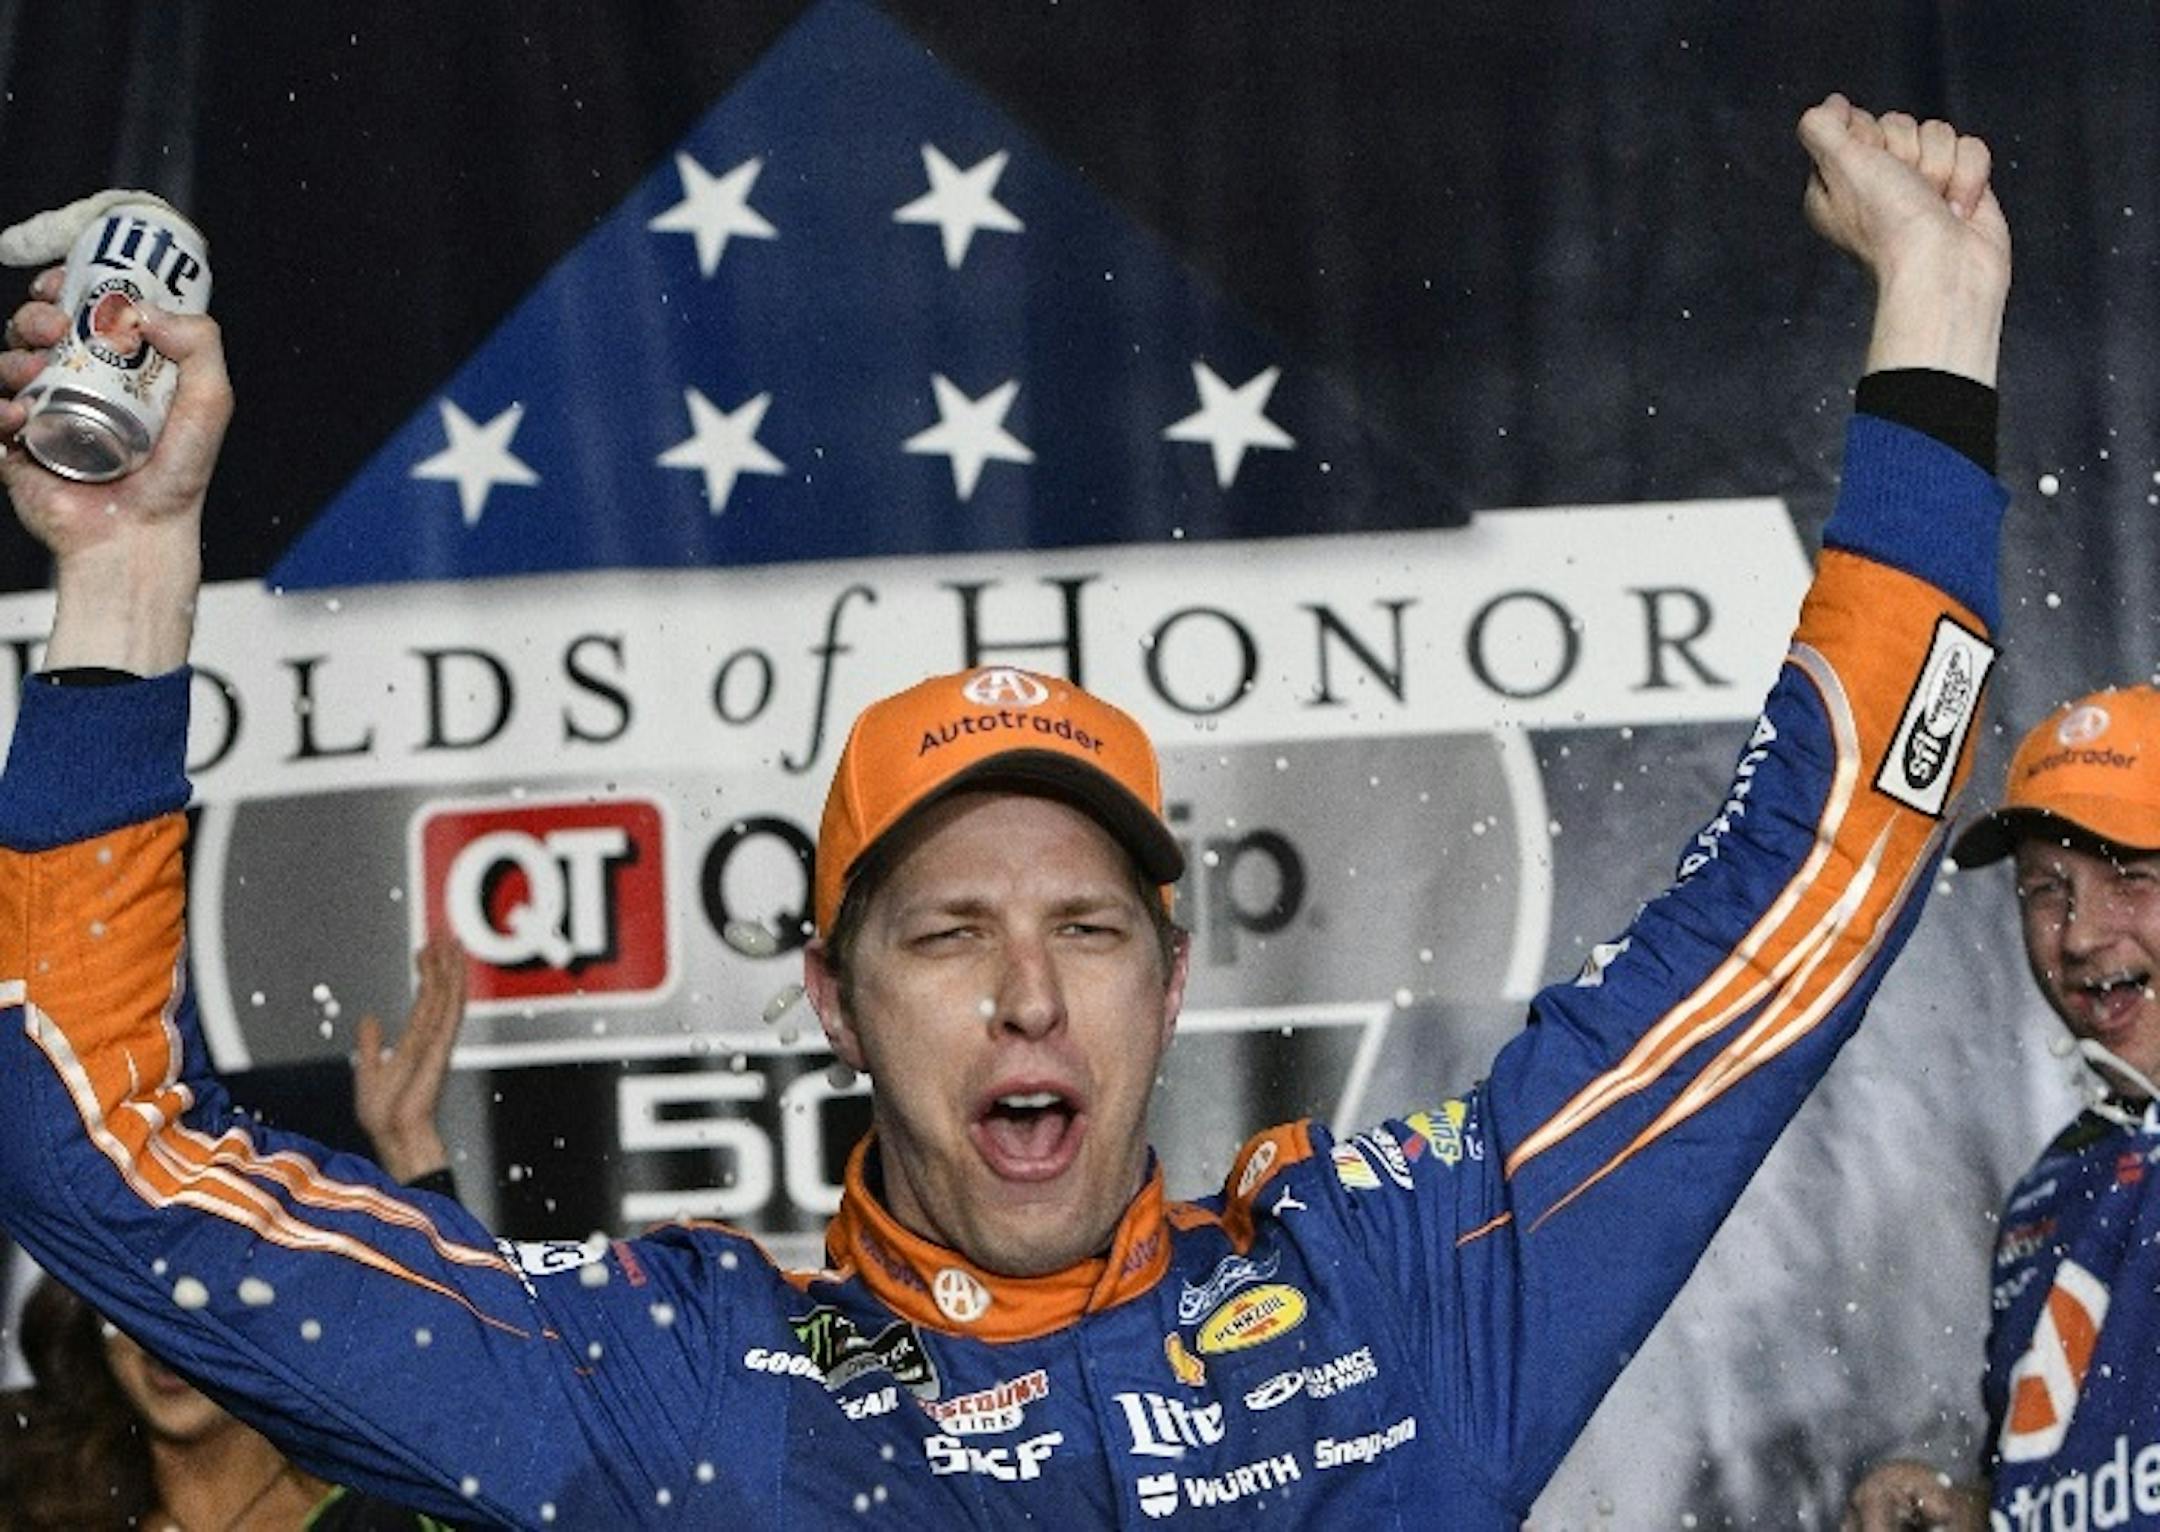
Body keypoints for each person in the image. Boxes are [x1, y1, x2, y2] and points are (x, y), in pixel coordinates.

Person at [0, 93, 2010, 1527]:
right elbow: (94, 1161)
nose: (1029, 990)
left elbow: (1789, 919)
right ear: (833, 999)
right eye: (948, 933)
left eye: (1089, 926)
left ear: (1171, 974)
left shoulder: (1398, 1306)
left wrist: (1934, 337)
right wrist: (122, 575)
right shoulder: (674, 1392)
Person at [0, 937, 469, 1531]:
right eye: (139, 1284)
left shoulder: (378, 1515)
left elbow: (483, 1425)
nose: (164, 1330)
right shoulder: (28, 1496)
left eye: (212, 1274)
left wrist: (410, 1149)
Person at [1846, 689, 2160, 1532]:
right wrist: (1973, 1515)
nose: (2082, 932)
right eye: (2045, 889)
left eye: (2129, 877)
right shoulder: (2050, 1193)